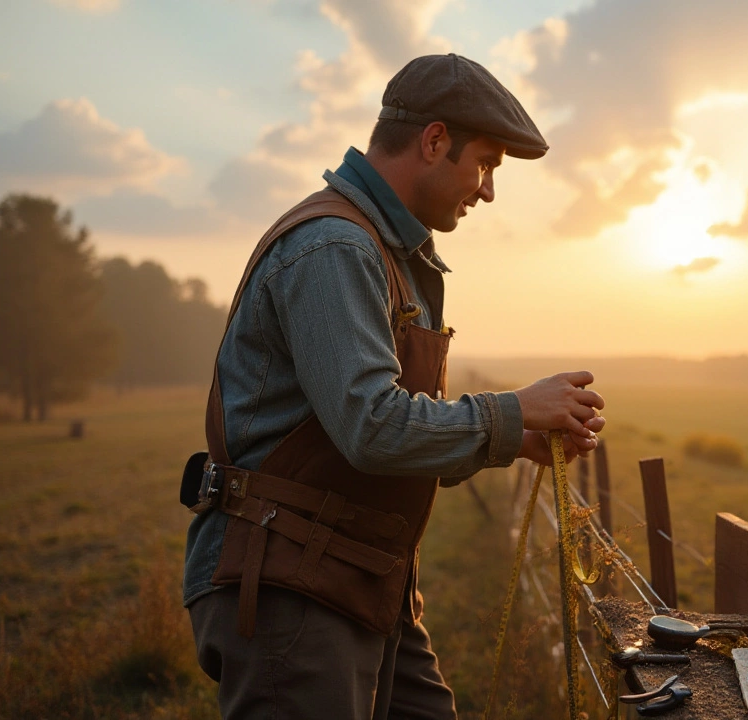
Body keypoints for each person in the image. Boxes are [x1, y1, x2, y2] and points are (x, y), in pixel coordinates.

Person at [181, 53, 606, 719]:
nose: (489, 189)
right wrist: (512, 407)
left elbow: (397, 435)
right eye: (486, 163)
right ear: (434, 141)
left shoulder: (388, 254)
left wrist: (518, 438)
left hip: (356, 576)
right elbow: (372, 428)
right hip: (293, 586)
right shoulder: (337, 248)